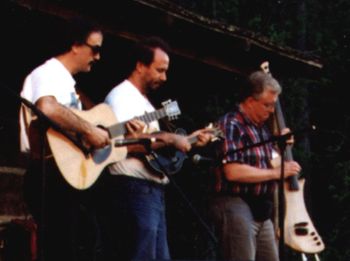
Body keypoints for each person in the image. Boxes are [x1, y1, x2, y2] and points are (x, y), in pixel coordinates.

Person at [97, 36, 213, 260]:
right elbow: (125, 144)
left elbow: (154, 146)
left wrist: (189, 140)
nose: (164, 77)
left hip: (150, 192)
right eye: (160, 70)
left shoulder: (145, 103)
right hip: (132, 189)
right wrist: (171, 139)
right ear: (140, 65)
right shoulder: (122, 96)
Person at [19, 17, 116, 261]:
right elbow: (47, 108)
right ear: (75, 45)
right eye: (95, 49)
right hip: (48, 175)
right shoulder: (49, 72)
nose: (98, 56)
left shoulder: (68, 84)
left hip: (64, 177)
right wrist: (89, 131)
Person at [208, 70, 302, 261]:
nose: (271, 111)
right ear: (250, 101)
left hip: (260, 208)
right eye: (267, 105)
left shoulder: (261, 129)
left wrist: (281, 146)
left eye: (273, 106)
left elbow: (267, 161)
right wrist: (275, 173)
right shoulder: (231, 124)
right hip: (235, 202)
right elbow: (233, 171)